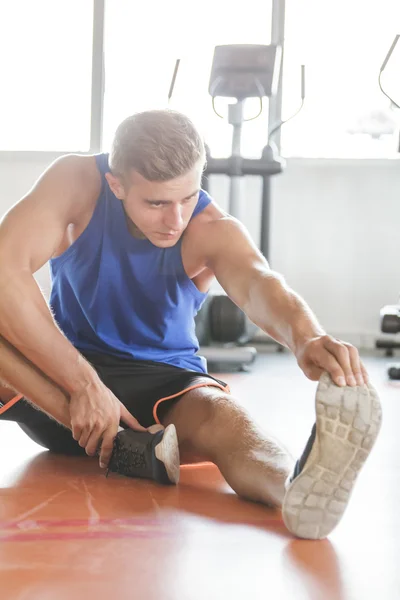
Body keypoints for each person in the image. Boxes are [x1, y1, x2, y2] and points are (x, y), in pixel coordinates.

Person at [0, 109, 382, 540]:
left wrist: (306, 336)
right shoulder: (77, 183)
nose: (176, 220)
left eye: (188, 197)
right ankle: (125, 444)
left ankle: (294, 487)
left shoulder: (210, 228)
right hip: (60, 383)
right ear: (116, 183)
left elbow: (259, 283)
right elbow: (4, 268)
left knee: (227, 421)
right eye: (158, 203)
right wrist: (86, 388)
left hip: (164, 386)